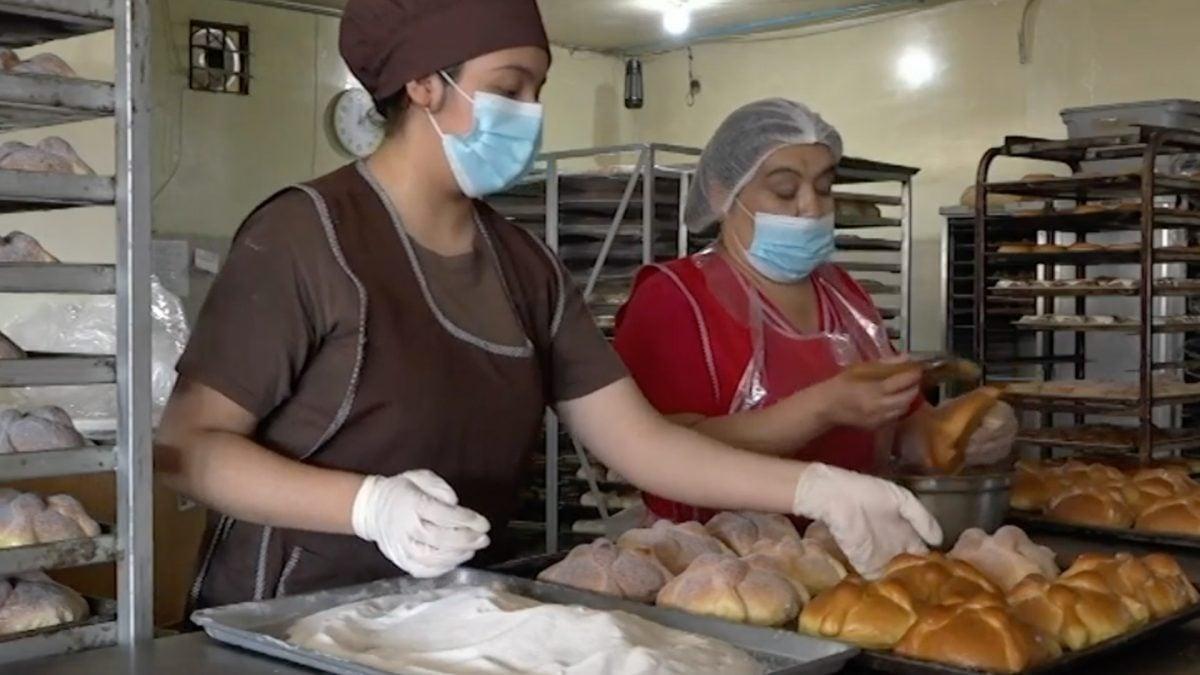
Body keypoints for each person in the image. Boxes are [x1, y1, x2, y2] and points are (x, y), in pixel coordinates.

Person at [156, 2, 941, 609]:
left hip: (446, 615)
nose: (530, 113)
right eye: (508, 89)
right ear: (425, 83)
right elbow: (189, 446)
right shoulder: (306, 235)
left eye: (538, 90)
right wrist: (366, 505)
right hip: (280, 617)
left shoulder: (523, 264)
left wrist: (817, 489)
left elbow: (641, 444)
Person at [613, 98, 1018, 525]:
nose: (811, 206)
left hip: (855, 544)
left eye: (824, 187)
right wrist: (820, 409)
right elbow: (655, 449)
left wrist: (958, 432)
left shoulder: (845, 296)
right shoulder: (675, 299)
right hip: (718, 559)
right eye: (785, 189)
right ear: (720, 193)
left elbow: (903, 429)